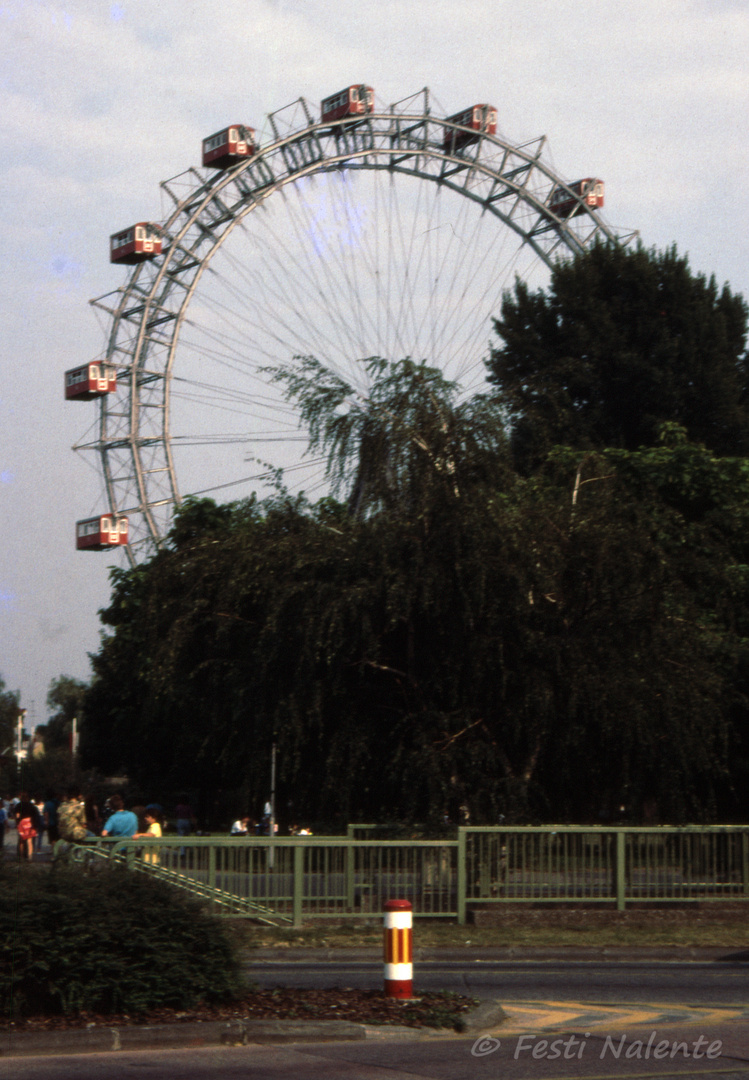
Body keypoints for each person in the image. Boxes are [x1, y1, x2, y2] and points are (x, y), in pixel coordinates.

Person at [14, 792, 41, 860]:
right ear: (28, 798)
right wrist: (35, 825)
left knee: (21, 841)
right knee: (29, 841)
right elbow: (35, 816)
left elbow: (17, 816)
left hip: (22, 823)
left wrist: (17, 823)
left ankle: (21, 856)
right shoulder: (32, 806)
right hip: (30, 823)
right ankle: (30, 857)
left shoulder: (18, 805)